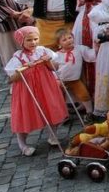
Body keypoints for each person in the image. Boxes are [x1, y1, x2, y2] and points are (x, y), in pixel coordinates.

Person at [4, 26, 68, 156]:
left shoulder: (43, 51)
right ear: (21, 42)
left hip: (45, 86)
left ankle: (53, 135)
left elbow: (53, 67)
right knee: (26, 114)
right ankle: (22, 143)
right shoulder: (18, 57)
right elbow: (11, 79)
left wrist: (47, 61)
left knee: (51, 108)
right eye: (29, 40)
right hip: (27, 90)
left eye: (35, 39)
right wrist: (23, 68)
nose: (33, 42)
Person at [52, 27, 96, 117]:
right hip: (61, 81)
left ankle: (89, 112)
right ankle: (63, 114)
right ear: (59, 44)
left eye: (70, 37)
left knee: (84, 94)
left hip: (74, 79)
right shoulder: (57, 54)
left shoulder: (79, 49)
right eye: (64, 40)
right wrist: (56, 79)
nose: (68, 41)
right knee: (59, 97)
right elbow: (53, 68)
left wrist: (96, 47)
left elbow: (90, 55)